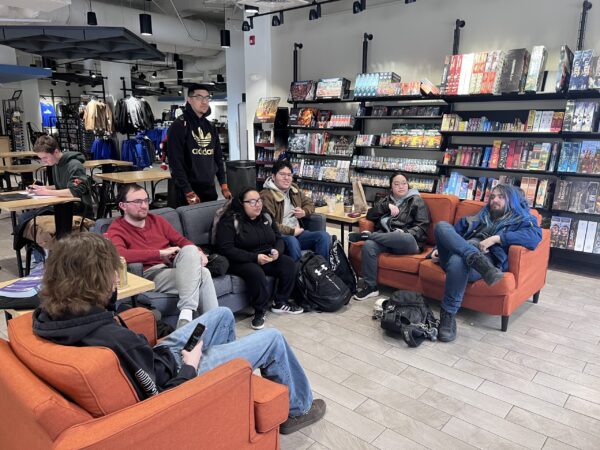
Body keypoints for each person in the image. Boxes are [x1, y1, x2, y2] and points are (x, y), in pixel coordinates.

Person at [32, 233, 326, 435]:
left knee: (223, 315)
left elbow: (139, 361)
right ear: (96, 279)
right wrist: (191, 365)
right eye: (111, 271)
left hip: (159, 359)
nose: (116, 278)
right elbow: (160, 397)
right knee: (272, 339)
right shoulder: (112, 340)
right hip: (177, 375)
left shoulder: (48, 317)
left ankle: (229, 394)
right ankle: (297, 410)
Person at [431, 184, 542, 342]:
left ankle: (447, 316)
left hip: (485, 259)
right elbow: (451, 235)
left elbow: (534, 237)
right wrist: (435, 250)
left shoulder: (522, 219)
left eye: (501, 197)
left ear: (512, 201)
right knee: (442, 226)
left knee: (458, 260)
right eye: (492, 196)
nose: (494, 200)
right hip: (465, 257)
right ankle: (473, 256)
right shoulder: (478, 217)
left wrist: (497, 239)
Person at [106, 183, 218, 328]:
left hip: (173, 267)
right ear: (123, 205)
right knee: (203, 274)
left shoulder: (156, 220)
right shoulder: (117, 228)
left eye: (146, 200)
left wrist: (199, 252)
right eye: (138, 201)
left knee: (190, 250)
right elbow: (120, 254)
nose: (144, 206)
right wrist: (159, 253)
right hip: (149, 274)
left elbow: (181, 240)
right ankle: (212, 326)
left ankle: (186, 315)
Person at [216, 187, 302, 330]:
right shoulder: (230, 221)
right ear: (242, 204)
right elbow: (226, 249)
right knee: (255, 272)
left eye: (259, 201)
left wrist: (277, 252)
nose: (258, 205)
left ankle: (280, 302)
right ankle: (260, 311)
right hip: (240, 259)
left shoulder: (266, 216)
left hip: (266, 255)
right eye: (252, 202)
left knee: (288, 263)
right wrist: (254, 257)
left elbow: (278, 238)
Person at [350, 172, 430, 301]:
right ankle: (371, 287)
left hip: (408, 242)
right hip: (386, 240)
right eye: (396, 184)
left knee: (405, 237)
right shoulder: (387, 200)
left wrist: (404, 232)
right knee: (369, 246)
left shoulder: (417, 200)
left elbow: (422, 226)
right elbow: (370, 215)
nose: (401, 186)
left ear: (408, 185)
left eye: (404, 183)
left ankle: (368, 236)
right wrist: (385, 207)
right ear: (391, 187)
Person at [19, 135, 94, 260]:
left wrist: (45, 192)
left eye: (45, 158)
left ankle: (44, 258)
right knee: (25, 218)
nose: (44, 162)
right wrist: (42, 188)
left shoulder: (74, 165)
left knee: (27, 218)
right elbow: (61, 186)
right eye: (41, 159)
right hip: (63, 205)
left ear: (56, 151)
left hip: (78, 209)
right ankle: (40, 258)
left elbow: (74, 191)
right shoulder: (56, 164)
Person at [167, 84, 231, 206]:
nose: (204, 102)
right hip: (187, 191)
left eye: (207, 98)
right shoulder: (178, 126)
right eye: (199, 97)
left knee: (210, 218)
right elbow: (175, 162)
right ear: (189, 100)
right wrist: (188, 191)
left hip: (209, 188)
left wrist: (223, 184)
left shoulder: (210, 127)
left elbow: (218, 157)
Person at [260, 160, 331, 261]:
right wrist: (292, 231)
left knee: (324, 236)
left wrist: (304, 212)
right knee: (292, 241)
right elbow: (271, 224)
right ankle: (297, 270)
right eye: (282, 174)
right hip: (281, 236)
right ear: (273, 176)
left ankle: (321, 268)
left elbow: (310, 203)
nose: (286, 178)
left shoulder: (294, 189)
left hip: (298, 233)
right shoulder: (266, 195)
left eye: (289, 175)